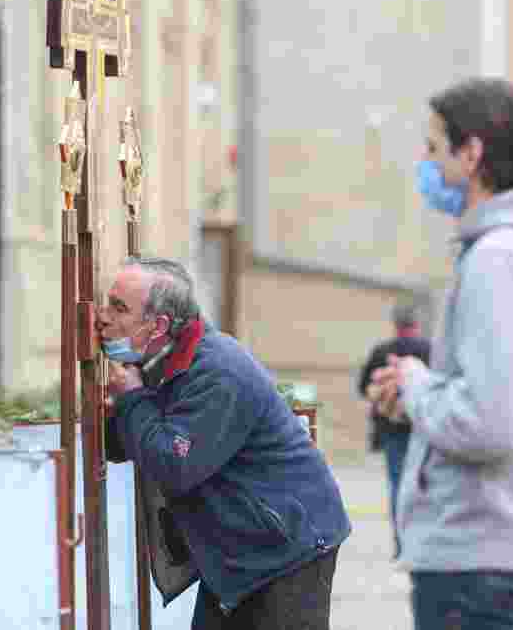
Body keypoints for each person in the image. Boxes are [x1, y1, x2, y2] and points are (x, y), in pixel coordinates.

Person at [367, 77, 513, 629]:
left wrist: (418, 387)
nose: (426, 165)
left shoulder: (502, 260)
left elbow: (487, 424)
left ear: (470, 153)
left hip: (481, 560)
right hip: (506, 554)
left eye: (433, 148)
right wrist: (423, 387)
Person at [99, 256, 351, 630]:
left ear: (159, 325)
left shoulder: (218, 373)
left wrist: (133, 399)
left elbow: (173, 465)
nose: (103, 317)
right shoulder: (164, 361)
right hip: (239, 554)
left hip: (285, 550)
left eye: (119, 308)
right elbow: (133, 442)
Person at [357, 301, 431, 561]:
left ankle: (401, 545)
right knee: (426, 486)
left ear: (395, 324)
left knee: (397, 484)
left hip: (392, 430)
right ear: (416, 323)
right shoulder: (430, 349)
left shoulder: (382, 352)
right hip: (425, 428)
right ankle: (420, 544)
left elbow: (363, 388)